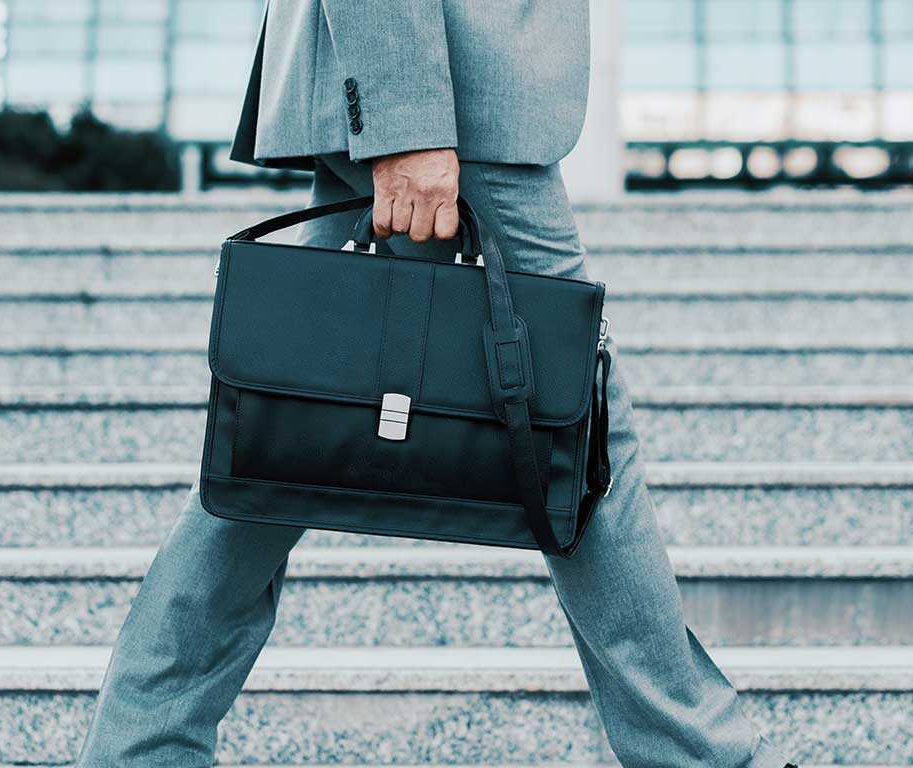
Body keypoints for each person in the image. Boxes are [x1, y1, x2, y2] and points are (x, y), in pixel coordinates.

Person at [77, 2, 797, 765]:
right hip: (448, 90)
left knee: (281, 434)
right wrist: (406, 122)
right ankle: (700, 758)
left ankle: (139, 748)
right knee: (577, 433)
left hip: (425, 83)